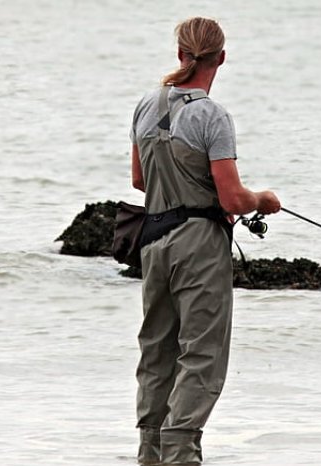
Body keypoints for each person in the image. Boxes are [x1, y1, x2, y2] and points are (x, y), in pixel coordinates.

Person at [129, 17, 281, 465]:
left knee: (157, 351)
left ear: (180, 54)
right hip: (198, 245)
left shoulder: (144, 104)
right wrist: (264, 201)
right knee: (202, 355)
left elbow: (140, 180)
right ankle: (181, 453)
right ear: (221, 58)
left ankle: (150, 453)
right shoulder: (211, 115)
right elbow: (233, 196)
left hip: (153, 241)